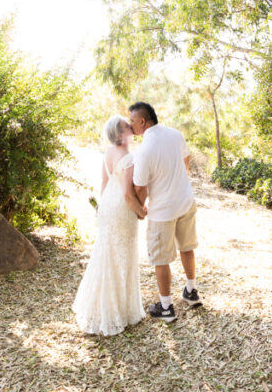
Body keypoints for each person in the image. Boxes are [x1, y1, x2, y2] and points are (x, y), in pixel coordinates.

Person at [71, 115, 147, 336]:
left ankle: (99, 307)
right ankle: (117, 313)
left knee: (106, 256)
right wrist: (140, 212)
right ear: (120, 134)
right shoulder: (128, 157)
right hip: (122, 211)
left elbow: (104, 185)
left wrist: (103, 209)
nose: (131, 126)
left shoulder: (109, 152)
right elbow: (127, 194)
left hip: (107, 208)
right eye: (127, 125)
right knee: (122, 257)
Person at [129, 100, 202, 322]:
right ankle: (191, 291)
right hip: (185, 201)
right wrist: (178, 182)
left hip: (163, 211)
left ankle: (166, 307)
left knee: (161, 259)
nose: (131, 126)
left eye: (132, 121)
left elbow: (140, 187)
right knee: (187, 247)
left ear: (142, 121)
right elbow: (186, 159)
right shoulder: (174, 134)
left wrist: (140, 210)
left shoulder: (143, 150)